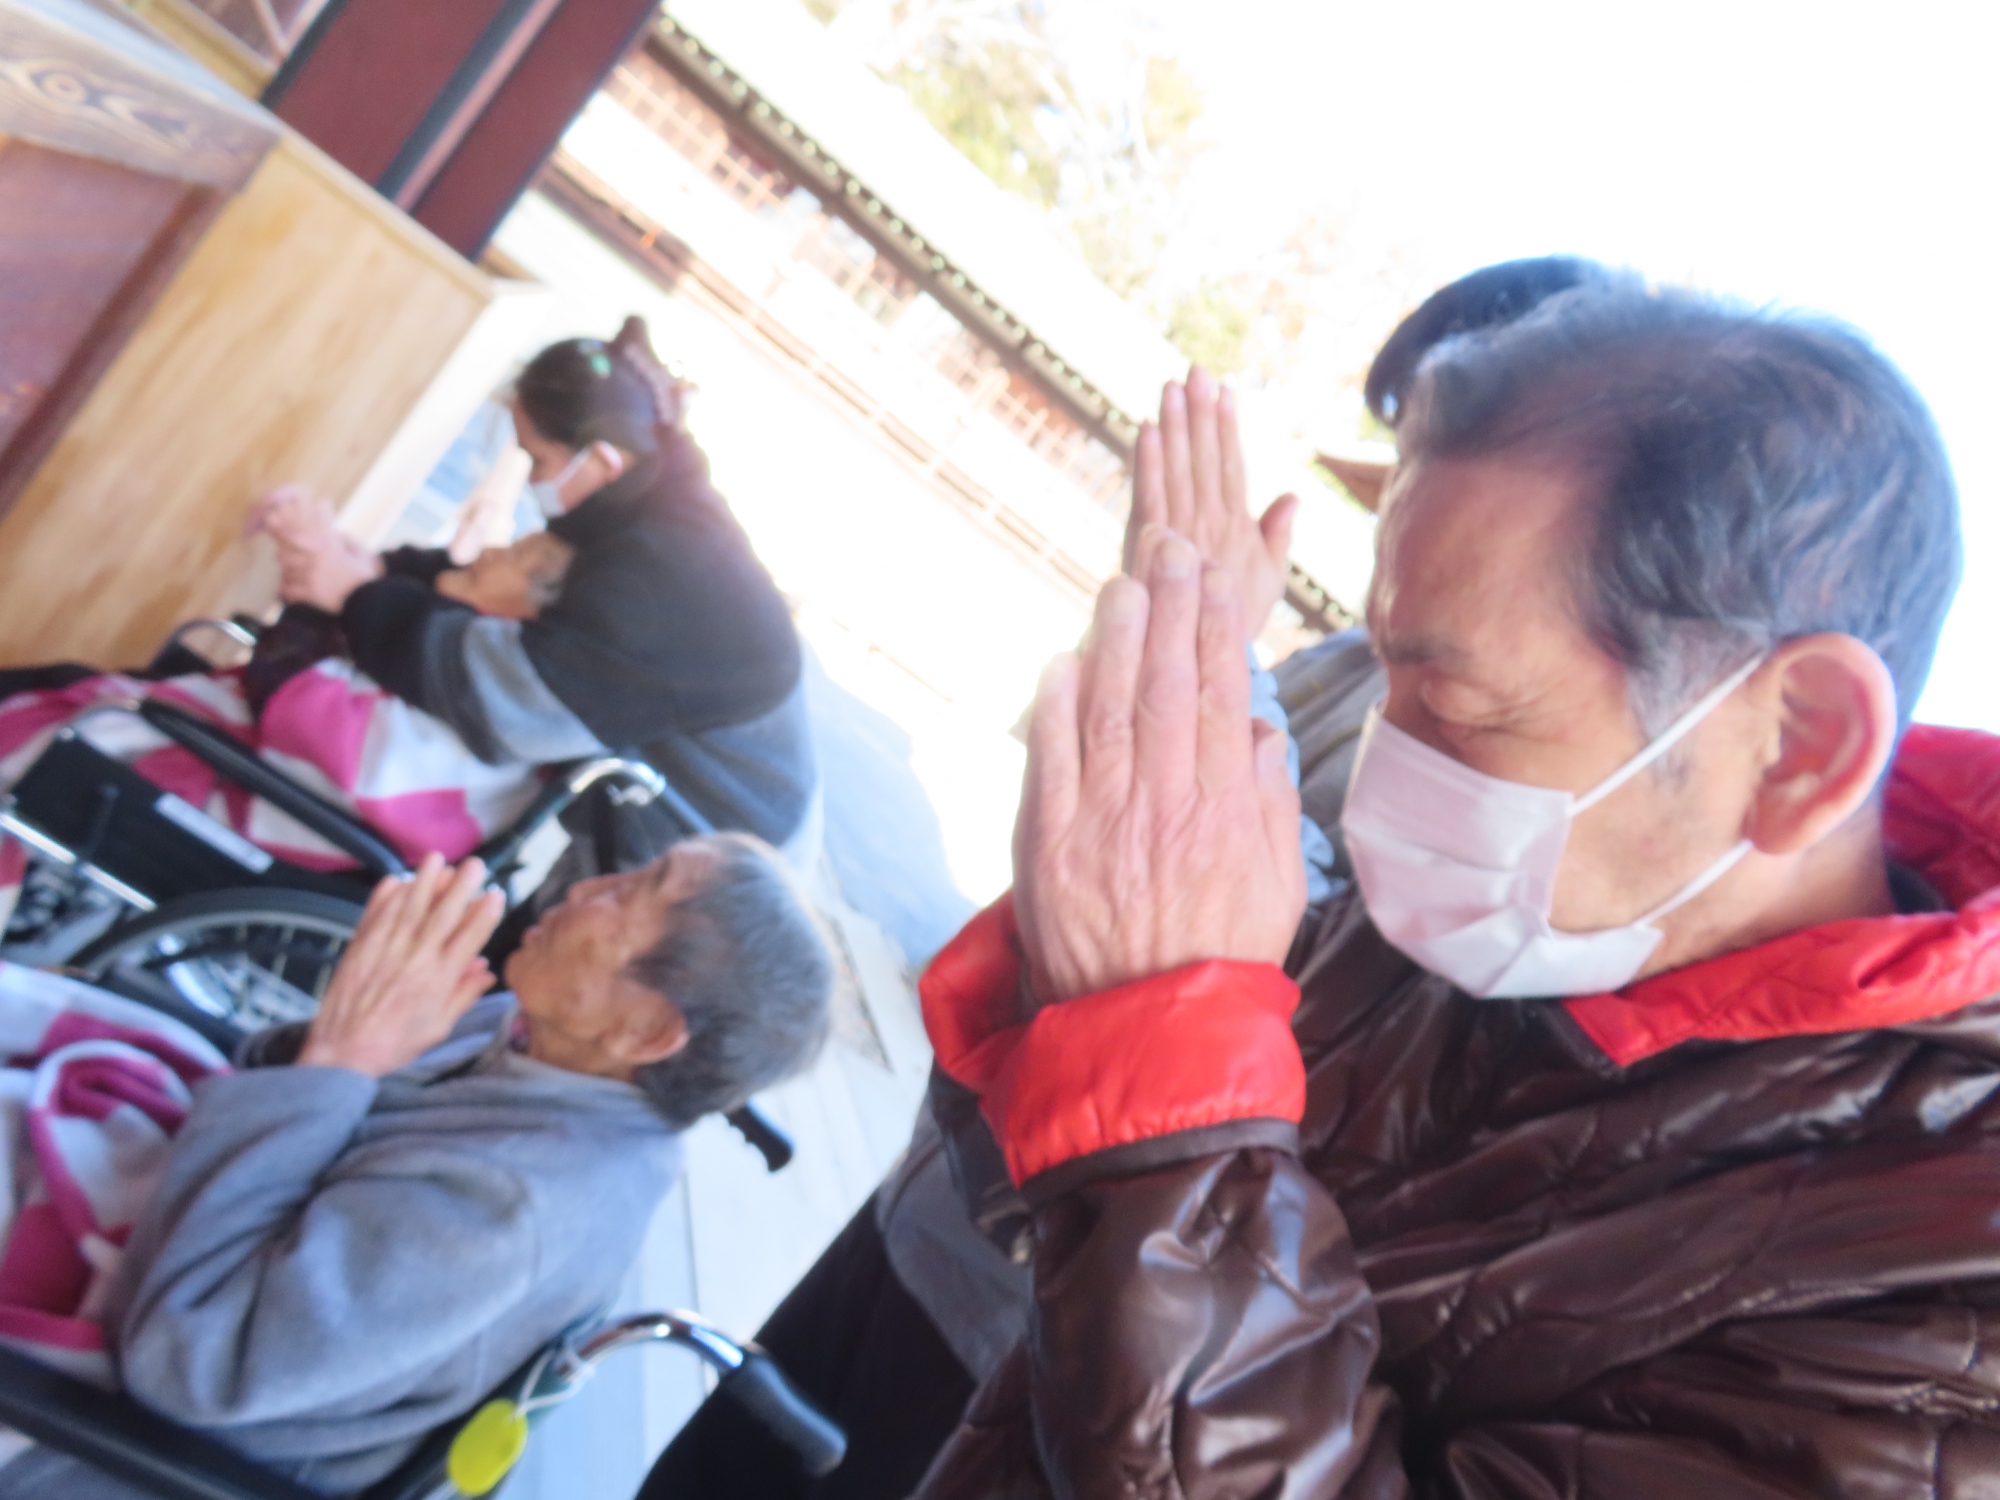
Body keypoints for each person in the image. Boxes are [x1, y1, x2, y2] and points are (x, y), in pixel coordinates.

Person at [903, 261, 1996, 1496]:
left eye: (1461, 708)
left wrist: (1163, 1102)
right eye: (1384, 680)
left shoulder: (1939, 1284)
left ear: (1799, 746)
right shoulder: (1461, 934)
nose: (1385, 762)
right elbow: (1027, 1201)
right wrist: (1113, 965)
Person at [0, 832, 834, 1499]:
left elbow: (191, 1363)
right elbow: (284, 1088)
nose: (585, 889)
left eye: (631, 895)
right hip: (179, 1233)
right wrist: (338, 1044)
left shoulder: (514, 1208)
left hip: (124, 1429)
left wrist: (340, 1059)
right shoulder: (530, 1033)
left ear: (645, 1032)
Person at [268, 318, 821, 878]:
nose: (530, 479)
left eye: (538, 461)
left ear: (602, 460)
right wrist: (379, 571)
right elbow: (501, 585)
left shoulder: (656, 577)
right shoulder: (640, 492)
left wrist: (358, 595)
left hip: (726, 842)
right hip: (705, 789)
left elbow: (506, 700)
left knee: (576, 925)